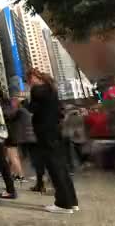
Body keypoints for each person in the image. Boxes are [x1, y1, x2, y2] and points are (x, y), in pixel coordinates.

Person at [28, 68, 79, 214]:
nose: (29, 82)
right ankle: (72, 202)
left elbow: (32, 109)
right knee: (62, 167)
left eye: (29, 79)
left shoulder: (37, 90)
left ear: (35, 78)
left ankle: (63, 204)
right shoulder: (52, 89)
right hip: (55, 132)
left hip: (45, 133)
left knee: (54, 168)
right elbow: (59, 112)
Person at [5, 97, 27, 182]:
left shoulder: (14, 112)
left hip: (11, 136)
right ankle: (15, 173)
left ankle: (20, 175)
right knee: (14, 156)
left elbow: (8, 118)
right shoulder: (18, 111)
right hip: (14, 135)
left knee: (13, 156)